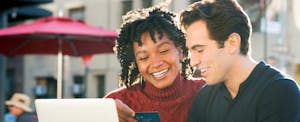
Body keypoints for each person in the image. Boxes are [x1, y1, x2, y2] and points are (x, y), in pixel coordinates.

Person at [179, 0, 300, 122]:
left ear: (232, 43)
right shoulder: (204, 98)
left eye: (200, 50)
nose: (193, 62)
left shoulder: (280, 91)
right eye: (190, 52)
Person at [104, 5, 205, 122]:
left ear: (181, 50)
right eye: (143, 57)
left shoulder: (208, 93)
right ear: (136, 63)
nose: (156, 63)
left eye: (163, 51)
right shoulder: (117, 105)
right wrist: (104, 115)